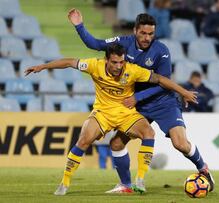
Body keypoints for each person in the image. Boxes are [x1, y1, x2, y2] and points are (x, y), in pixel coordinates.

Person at [68, 10, 215, 193]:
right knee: (116, 144)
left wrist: (137, 97)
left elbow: (163, 83)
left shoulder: (161, 51)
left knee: (180, 143)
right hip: (138, 106)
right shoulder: (123, 43)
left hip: (163, 103)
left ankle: (204, 169)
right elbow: (95, 44)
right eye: (143, 33)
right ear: (135, 30)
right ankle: (125, 185)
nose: (147, 38)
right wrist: (79, 26)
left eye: (151, 34)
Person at [24, 43, 198, 196]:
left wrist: (183, 92)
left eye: (121, 62)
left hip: (126, 113)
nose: (118, 66)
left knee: (149, 132)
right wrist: (43, 66)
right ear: (106, 60)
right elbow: (70, 62)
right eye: (114, 62)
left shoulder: (131, 70)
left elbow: (160, 79)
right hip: (102, 113)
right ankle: (65, 182)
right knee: (83, 140)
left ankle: (139, 180)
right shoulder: (94, 65)